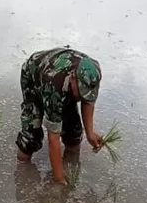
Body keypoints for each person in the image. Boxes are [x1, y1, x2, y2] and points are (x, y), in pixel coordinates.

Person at [15, 47, 104, 184]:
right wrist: (59, 179)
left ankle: (71, 167)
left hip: (61, 79)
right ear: (73, 78)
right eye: (80, 92)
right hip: (34, 75)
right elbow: (53, 137)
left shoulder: (93, 73)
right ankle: (23, 174)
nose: (81, 97)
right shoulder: (54, 85)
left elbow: (88, 101)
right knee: (31, 136)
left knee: (74, 134)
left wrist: (90, 134)